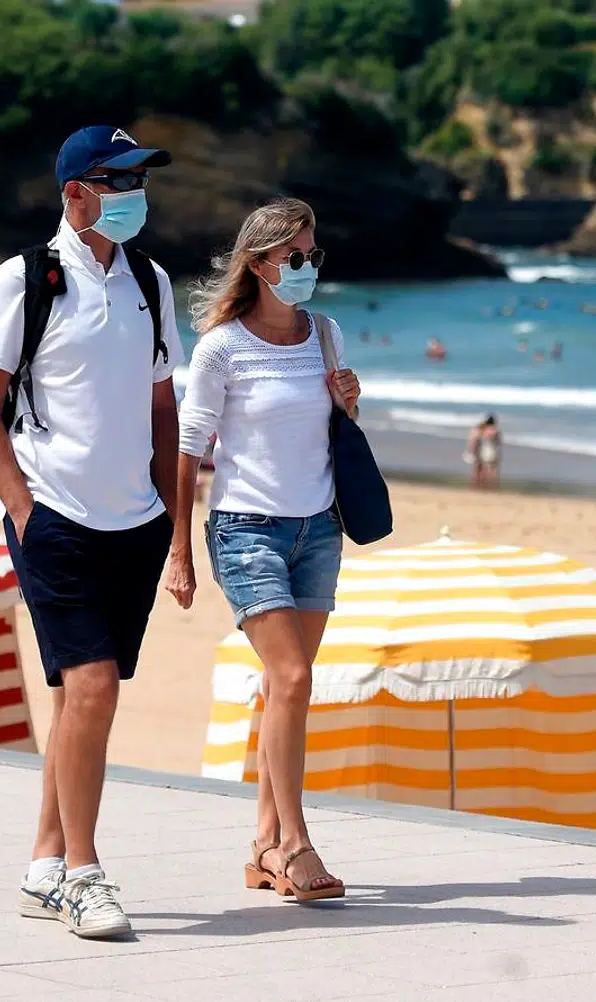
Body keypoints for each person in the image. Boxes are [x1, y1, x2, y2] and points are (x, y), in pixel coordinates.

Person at [0, 125, 183, 939]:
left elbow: (165, 409)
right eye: (119, 181)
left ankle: (43, 865)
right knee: (91, 690)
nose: (135, 196)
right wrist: (24, 510)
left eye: (140, 181)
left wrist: (174, 518)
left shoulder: (151, 282)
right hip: (53, 515)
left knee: (78, 700)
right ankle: (86, 876)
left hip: (136, 520)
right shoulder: (25, 280)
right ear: (76, 194)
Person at [164, 197, 357, 904]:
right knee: (295, 678)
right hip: (246, 530)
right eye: (295, 257)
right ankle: (298, 843)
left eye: (314, 256)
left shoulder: (327, 335)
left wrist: (348, 400)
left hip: (319, 528)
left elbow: (328, 433)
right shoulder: (223, 347)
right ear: (260, 263)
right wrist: (179, 551)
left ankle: (265, 848)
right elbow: (189, 449)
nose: (307, 268)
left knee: (285, 687)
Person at [466, 414, 502, 488]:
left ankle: (478, 486)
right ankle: (492, 486)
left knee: (480, 469)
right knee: (492, 470)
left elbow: (474, 439)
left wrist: (471, 450)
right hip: (493, 451)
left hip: (483, 450)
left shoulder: (482, 429)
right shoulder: (495, 430)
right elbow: (498, 441)